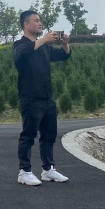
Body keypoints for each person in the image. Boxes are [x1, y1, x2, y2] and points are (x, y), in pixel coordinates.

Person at [13, 10, 71, 186]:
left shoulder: (44, 46)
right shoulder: (19, 45)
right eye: (36, 20)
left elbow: (63, 55)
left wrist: (65, 43)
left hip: (47, 97)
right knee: (28, 135)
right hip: (31, 98)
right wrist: (43, 39)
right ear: (26, 24)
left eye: (40, 21)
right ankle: (24, 171)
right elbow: (22, 53)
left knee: (49, 135)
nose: (40, 23)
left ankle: (48, 169)